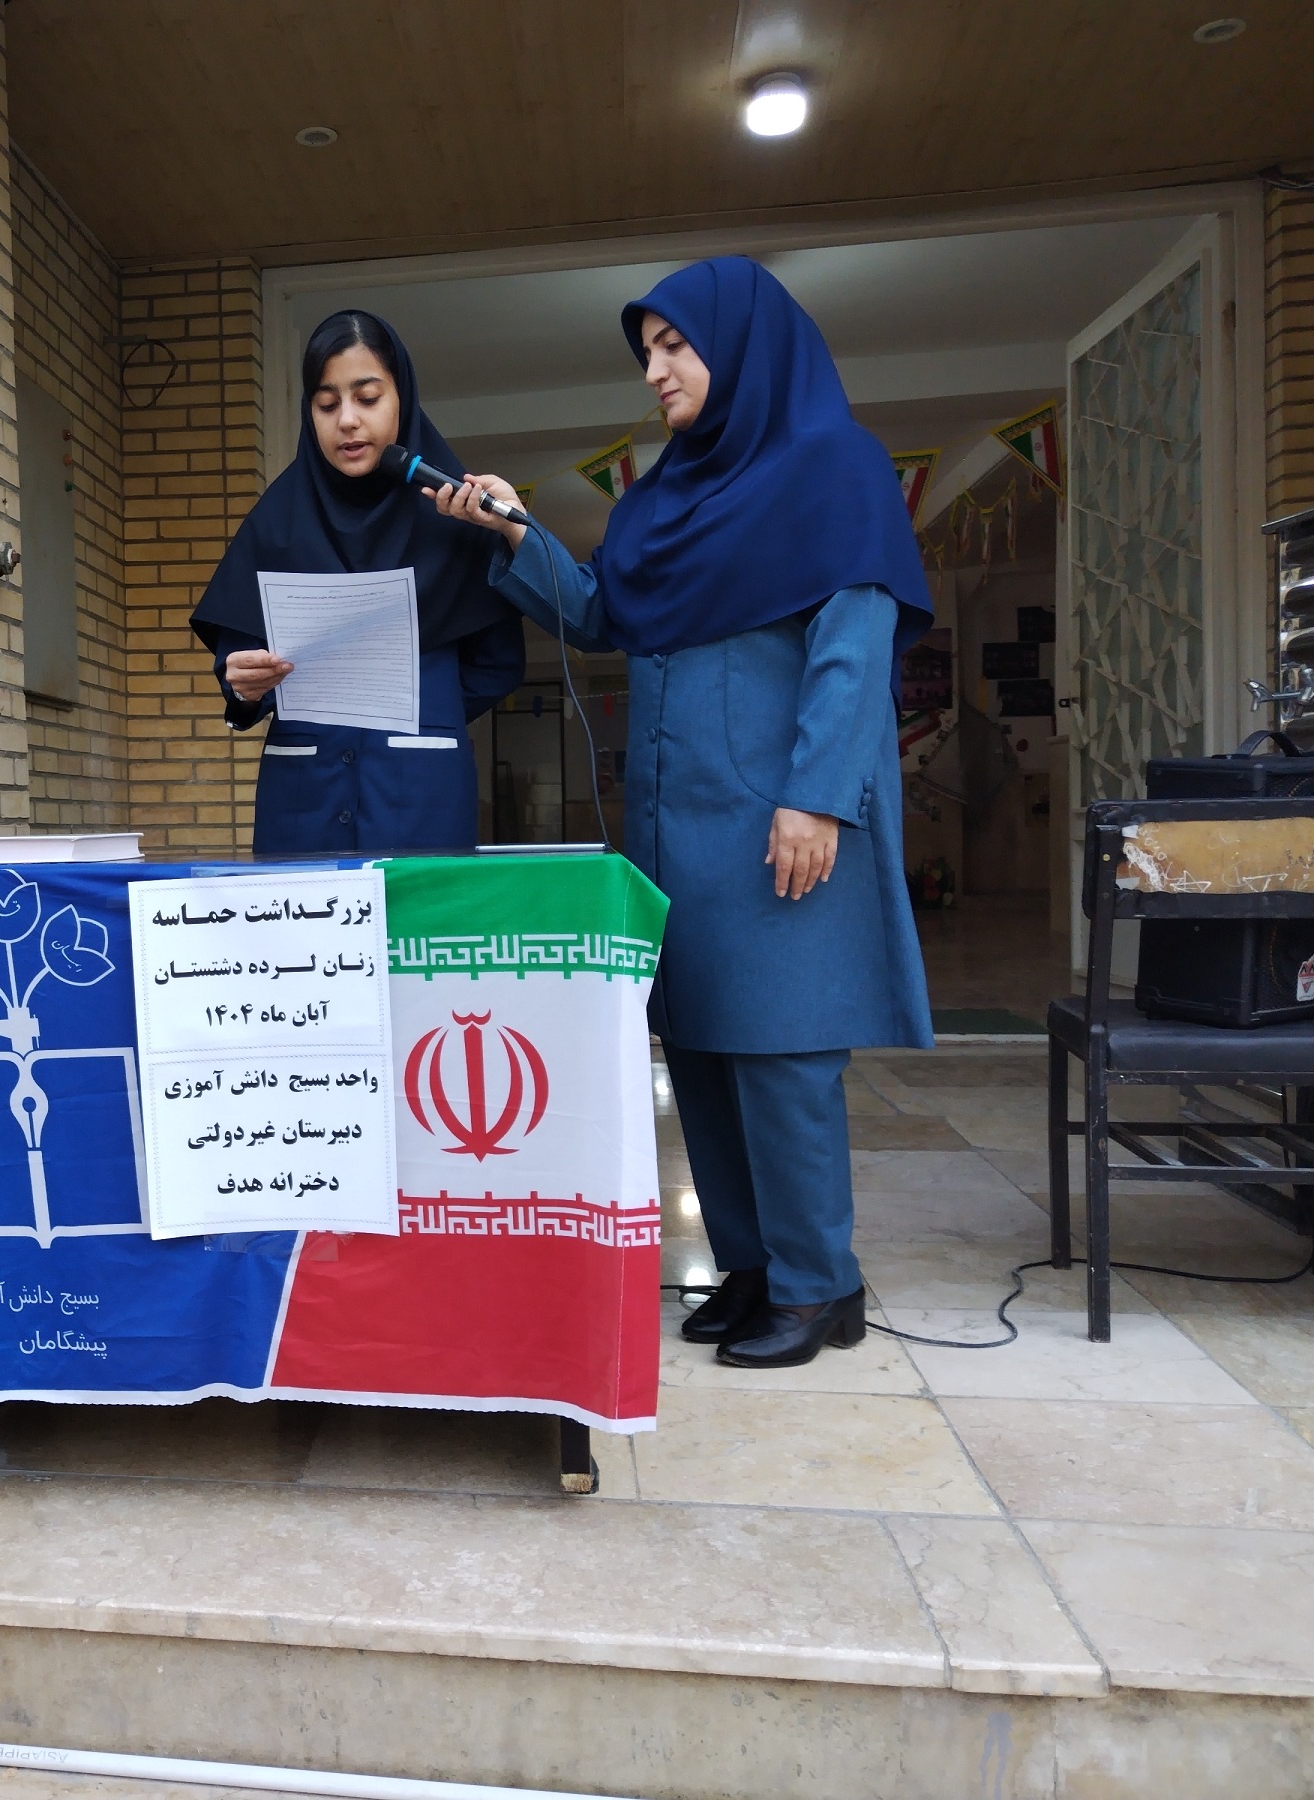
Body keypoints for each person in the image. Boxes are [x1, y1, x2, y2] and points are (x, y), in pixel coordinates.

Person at [426, 257, 935, 1369]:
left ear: (742, 347)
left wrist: (817, 799)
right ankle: (751, 1267)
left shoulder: (833, 465)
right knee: (700, 1045)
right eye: (645, 352)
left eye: (675, 346)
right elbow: (603, 614)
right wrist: (515, 532)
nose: (655, 372)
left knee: (782, 1050)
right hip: (675, 819)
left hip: (779, 815)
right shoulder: (661, 498)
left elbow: (853, 647)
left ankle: (819, 1282)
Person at [190, 311, 526, 854]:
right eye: (327, 405)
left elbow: (498, 663)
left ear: (402, 399)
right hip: (303, 801)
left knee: (422, 913)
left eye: (367, 398)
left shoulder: (454, 516)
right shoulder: (276, 522)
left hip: (421, 796)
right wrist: (243, 686)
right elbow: (239, 667)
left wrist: (423, 709)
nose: (347, 420)